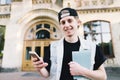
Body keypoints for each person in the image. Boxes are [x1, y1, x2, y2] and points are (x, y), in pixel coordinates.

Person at [32, 7, 107, 80]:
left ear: (78, 23)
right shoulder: (52, 47)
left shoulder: (92, 47)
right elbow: (47, 74)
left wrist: (82, 71)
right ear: (60, 26)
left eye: (70, 20)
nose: (66, 25)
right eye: (63, 22)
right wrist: (40, 68)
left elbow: (103, 76)